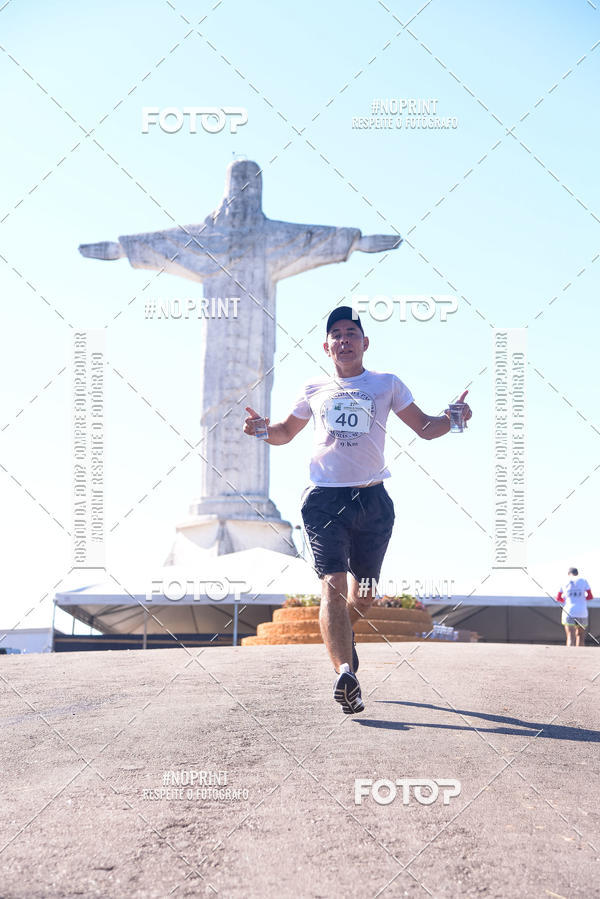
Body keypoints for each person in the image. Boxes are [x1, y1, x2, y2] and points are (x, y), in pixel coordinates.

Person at [243, 306, 472, 714]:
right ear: (327, 346)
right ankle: (345, 673)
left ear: (365, 343)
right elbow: (284, 433)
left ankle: (343, 638)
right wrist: (263, 430)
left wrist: (453, 419)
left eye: (352, 333)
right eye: (337, 334)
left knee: (362, 596)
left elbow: (424, 427)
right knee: (331, 585)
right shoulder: (314, 388)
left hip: (373, 500)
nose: (344, 340)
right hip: (324, 499)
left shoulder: (386, 384)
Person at [556, 567, 593, 647]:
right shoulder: (583, 581)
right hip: (582, 611)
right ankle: (581, 657)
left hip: (569, 611)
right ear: (577, 573)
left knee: (570, 636)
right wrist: (581, 600)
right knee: (580, 636)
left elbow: (558, 598)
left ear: (568, 573)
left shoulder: (564, 582)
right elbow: (590, 596)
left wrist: (567, 600)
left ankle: (570, 656)